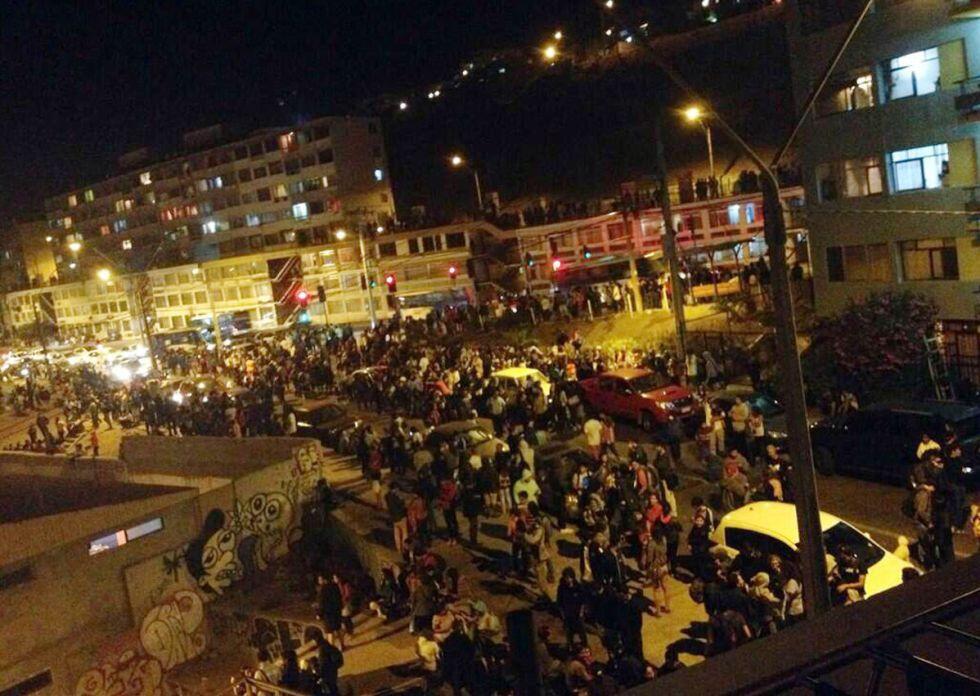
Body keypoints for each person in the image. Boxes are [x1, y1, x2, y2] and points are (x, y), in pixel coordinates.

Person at [440, 619, 476, 696]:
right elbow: (471, 651)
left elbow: (444, 657)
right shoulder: (464, 638)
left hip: (452, 668)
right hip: (464, 666)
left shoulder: (447, 640)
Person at [557, 568, 588, 646]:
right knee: (569, 633)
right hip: (568, 615)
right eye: (566, 578)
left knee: (582, 632)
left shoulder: (578, 587)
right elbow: (559, 603)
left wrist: (581, 613)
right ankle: (571, 646)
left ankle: (585, 646)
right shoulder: (561, 588)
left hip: (578, 615)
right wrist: (563, 615)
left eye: (569, 577)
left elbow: (583, 601)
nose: (568, 580)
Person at [316, 574, 345, 650]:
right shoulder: (335, 586)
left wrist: (319, 614)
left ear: (324, 580)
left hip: (328, 613)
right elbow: (339, 597)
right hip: (336, 610)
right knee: (338, 628)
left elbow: (321, 603)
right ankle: (342, 645)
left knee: (330, 631)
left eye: (320, 580)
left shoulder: (322, 590)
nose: (319, 582)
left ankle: (332, 649)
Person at [313, 629, 344, 696]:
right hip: (332, 669)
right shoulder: (326, 644)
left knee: (331, 688)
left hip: (328, 671)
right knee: (333, 686)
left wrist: (318, 671)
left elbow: (323, 663)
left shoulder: (322, 648)